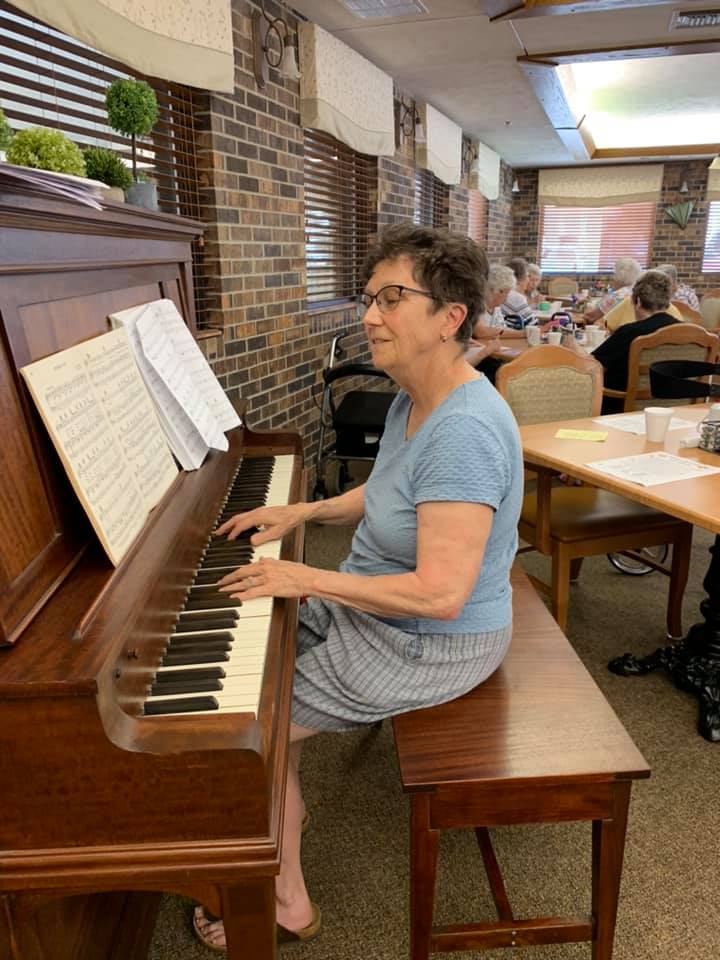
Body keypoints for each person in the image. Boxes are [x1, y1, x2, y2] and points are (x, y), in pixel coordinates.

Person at [192, 223, 523, 950]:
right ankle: (288, 802)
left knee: (246, 733)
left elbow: (441, 596)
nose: (368, 315)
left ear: (450, 317)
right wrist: (305, 509)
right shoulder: (414, 395)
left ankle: (287, 899)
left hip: (430, 641)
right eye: (369, 297)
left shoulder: (466, 430)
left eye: (391, 298)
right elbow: (390, 491)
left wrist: (305, 576)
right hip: (373, 605)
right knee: (259, 662)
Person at [592, 269, 680, 414]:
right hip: (675, 412)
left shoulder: (629, 332)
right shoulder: (686, 331)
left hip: (621, 410)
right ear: (667, 302)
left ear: (637, 301)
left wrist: (571, 344)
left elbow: (592, 365)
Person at [583, 257, 643, 323]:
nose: (613, 278)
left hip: (613, 330)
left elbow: (590, 317)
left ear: (619, 276)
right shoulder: (638, 293)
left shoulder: (618, 295)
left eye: (614, 274)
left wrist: (587, 307)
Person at [500, 257, 534, 326]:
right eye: (528, 276)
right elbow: (533, 325)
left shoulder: (501, 293)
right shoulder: (517, 298)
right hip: (515, 334)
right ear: (519, 280)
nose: (529, 280)